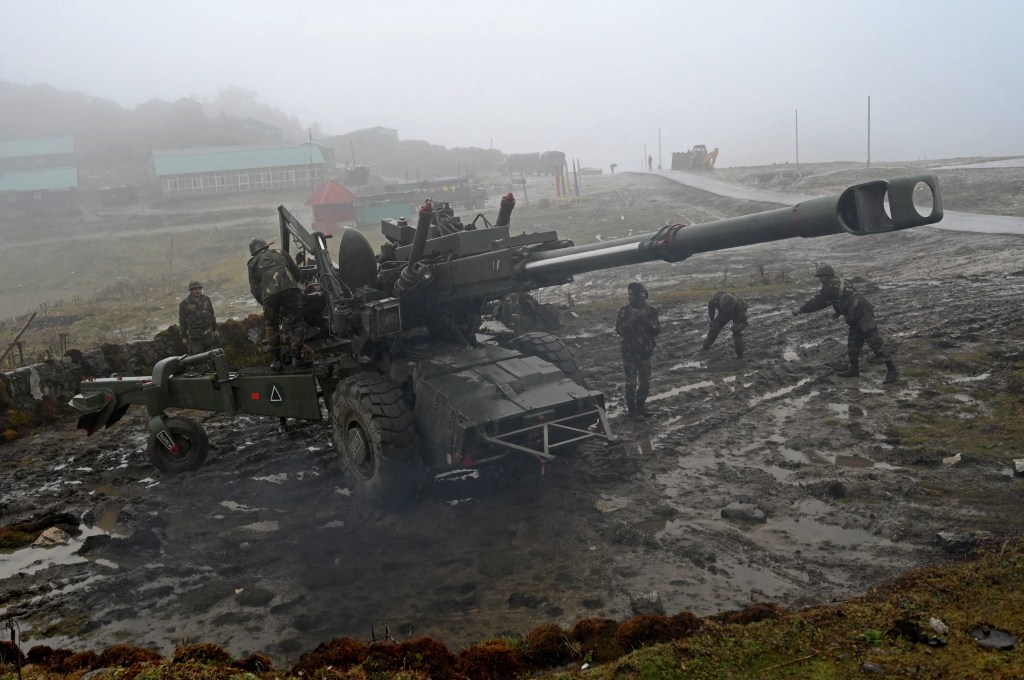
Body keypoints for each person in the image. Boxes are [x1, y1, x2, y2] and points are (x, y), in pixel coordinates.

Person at [792, 264, 899, 384]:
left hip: (862, 312)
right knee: (853, 342)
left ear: (827, 276)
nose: (820, 279)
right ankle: (854, 369)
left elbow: (818, 302)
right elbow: (842, 297)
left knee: (874, 341)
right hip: (855, 313)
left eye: (821, 277)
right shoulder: (838, 282)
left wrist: (800, 309)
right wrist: (839, 311)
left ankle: (892, 370)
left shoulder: (829, 286)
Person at [247, 238, 303, 371]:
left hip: (269, 295)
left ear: (253, 252)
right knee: (297, 323)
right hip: (290, 289)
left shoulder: (252, 263)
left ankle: (276, 361)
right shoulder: (280, 252)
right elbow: (297, 274)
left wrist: (264, 302)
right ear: (266, 246)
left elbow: (254, 288)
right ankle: (297, 359)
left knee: (272, 326)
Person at [615, 282, 661, 420]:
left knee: (645, 382)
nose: (629, 298)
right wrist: (632, 319)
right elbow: (620, 330)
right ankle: (632, 411)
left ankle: (641, 406)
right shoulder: (624, 311)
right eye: (628, 295)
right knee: (631, 383)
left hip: (645, 353)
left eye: (631, 295)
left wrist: (645, 319)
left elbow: (656, 331)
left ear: (639, 296)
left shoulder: (651, 311)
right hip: (629, 353)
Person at [178, 281, 220, 355]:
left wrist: (215, 329)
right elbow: (182, 321)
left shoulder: (206, 299)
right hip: (194, 335)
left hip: (208, 333)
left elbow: (212, 315)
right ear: (191, 290)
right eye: (195, 289)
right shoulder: (184, 303)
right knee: (197, 356)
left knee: (211, 354)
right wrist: (184, 336)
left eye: (199, 289)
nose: (197, 291)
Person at [702, 291, 747, 358]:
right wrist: (711, 319)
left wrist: (737, 327)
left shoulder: (740, 306)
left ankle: (740, 356)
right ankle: (705, 347)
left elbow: (744, 323)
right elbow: (711, 308)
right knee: (714, 328)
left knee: (737, 333)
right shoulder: (715, 299)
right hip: (723, 314)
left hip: (736, 313)